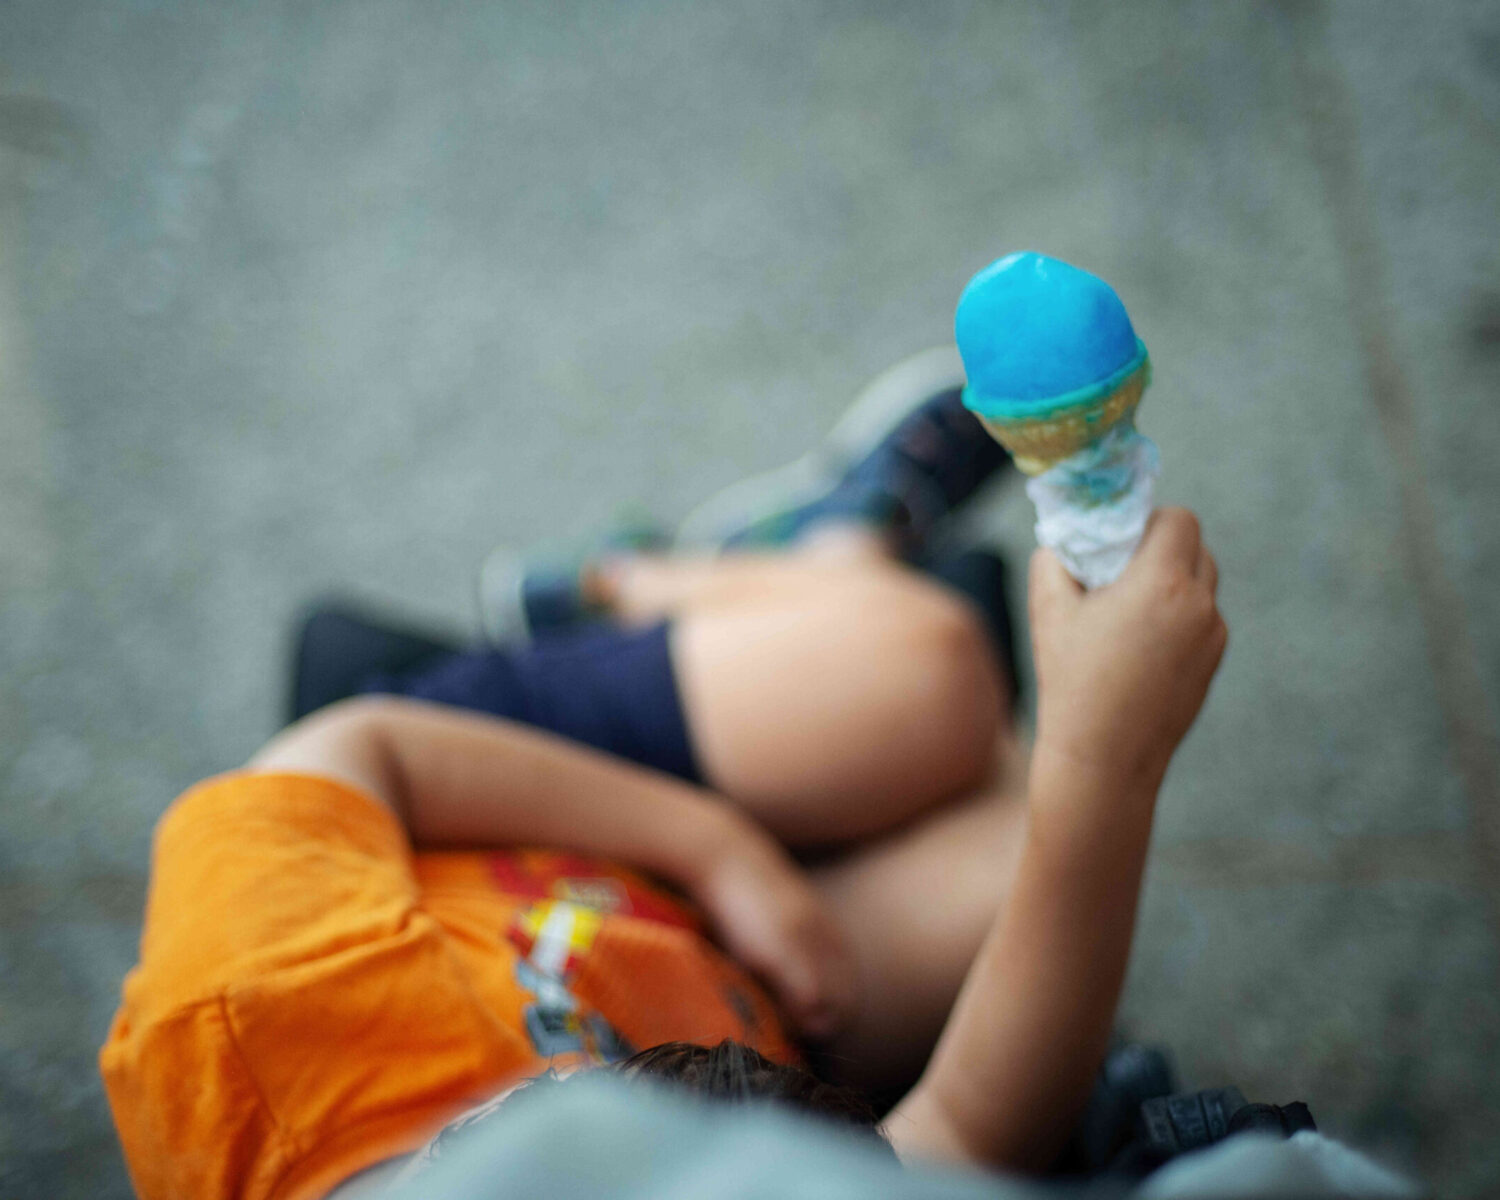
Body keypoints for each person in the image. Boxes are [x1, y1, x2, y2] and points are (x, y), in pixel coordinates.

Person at [99, 356, 1226, 1200]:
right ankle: (817, 569)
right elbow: (959, 1137)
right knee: (1022, 842)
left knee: (929, 674)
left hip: (541, 809)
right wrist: (1103, 772)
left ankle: (668, 579)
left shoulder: (254, 1024)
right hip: (744, 1000)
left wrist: (710, 842)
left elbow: (360, 745)